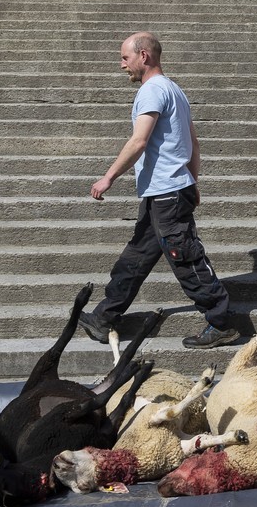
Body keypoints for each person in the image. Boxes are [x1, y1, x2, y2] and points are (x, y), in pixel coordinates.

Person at [82, 32, 240, 348]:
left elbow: (139, 140)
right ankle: (104, 318)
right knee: (137, 257)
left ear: (144, 56)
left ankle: (220, 323)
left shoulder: (152, 91)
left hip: (167, 192)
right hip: (166, 191)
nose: (121, 65)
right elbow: (193, 142)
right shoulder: (175, 91)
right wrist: (192, 182)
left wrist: (108, 177)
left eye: (125, 58)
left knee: (185, 257)